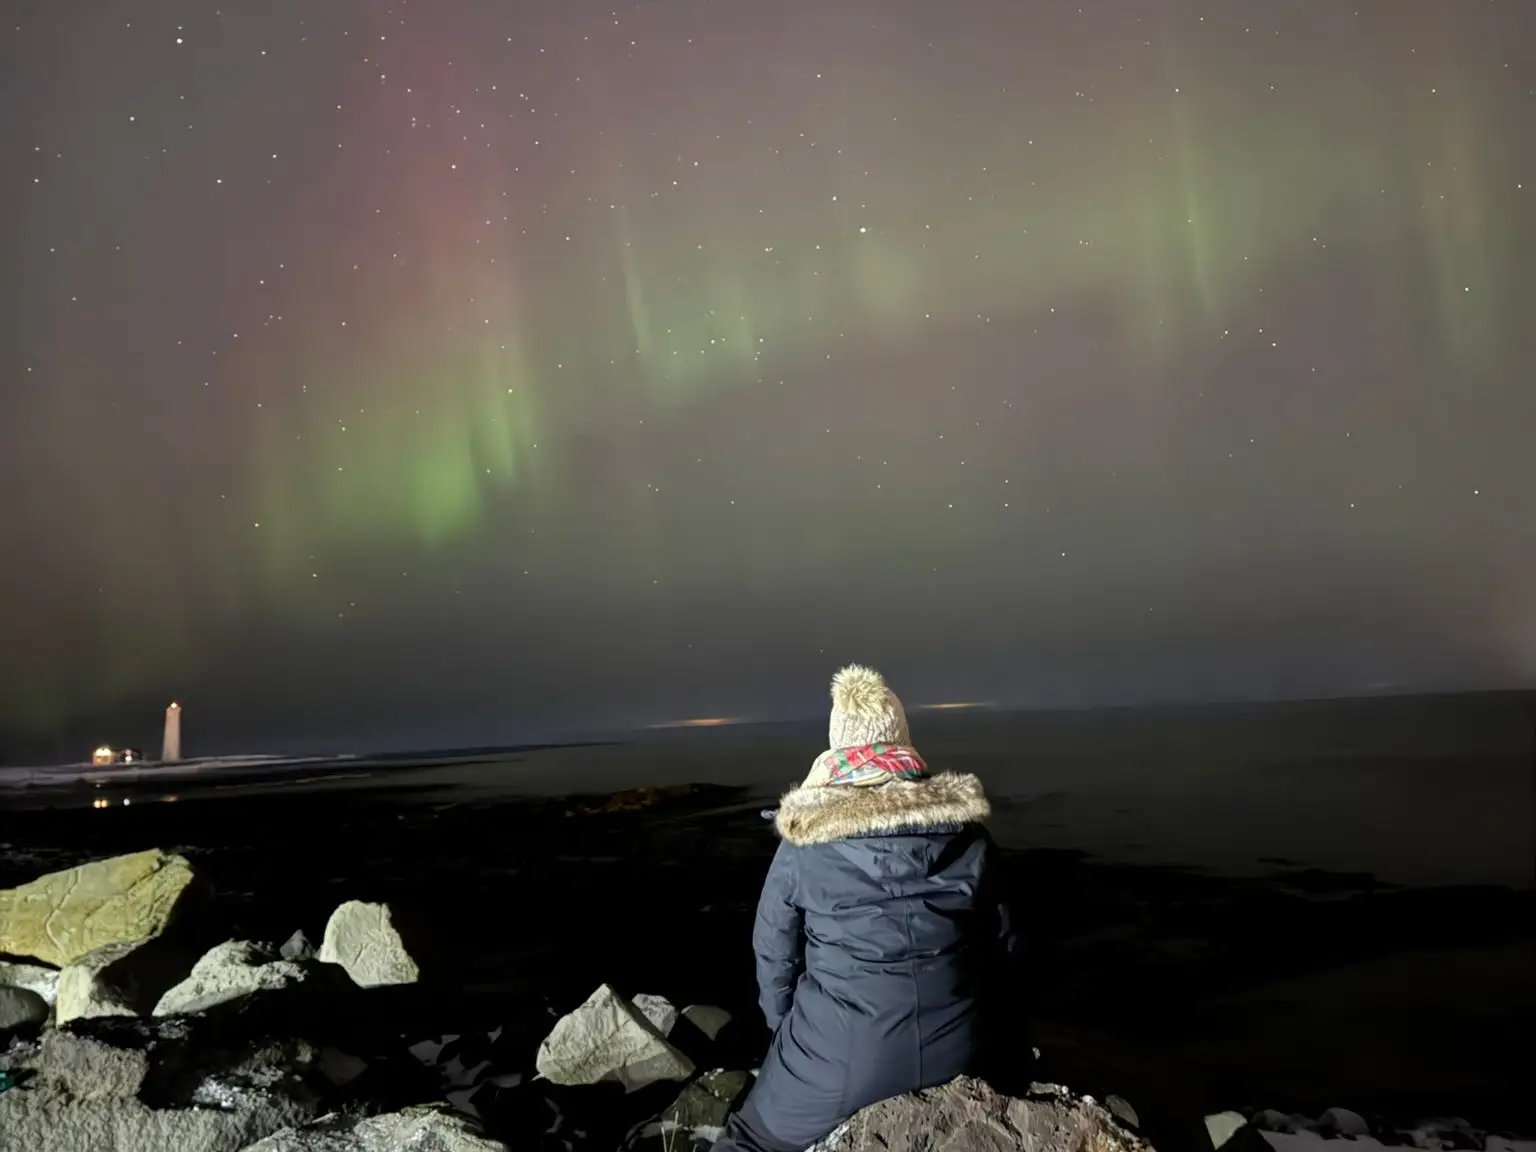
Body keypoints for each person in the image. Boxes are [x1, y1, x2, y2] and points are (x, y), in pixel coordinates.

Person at [715, 664, 1015, 1152]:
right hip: (960, 1048)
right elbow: (1005, 951)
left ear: (836, 748)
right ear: (903, 742)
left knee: (747, 1138)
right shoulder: (973, 840)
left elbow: (773, 953)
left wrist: (786, 1033)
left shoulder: (803, 848)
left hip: (838, 1058)